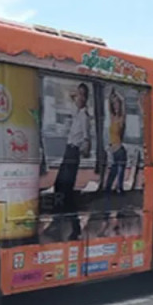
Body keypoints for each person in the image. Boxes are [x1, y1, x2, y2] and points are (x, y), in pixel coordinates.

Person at [53, 82, 91, 240]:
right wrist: (74, 95)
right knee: (59, 186)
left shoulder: (84, 116)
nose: (79, 97)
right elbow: (71, 98)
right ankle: (65, 222)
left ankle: (73, 227)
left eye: (83, 95)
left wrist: (82, 150)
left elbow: (87, 138)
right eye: (79, 94)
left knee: (66, 189)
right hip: (68, 151)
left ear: (86, 98)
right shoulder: (77, 112)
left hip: (73, 152)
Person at [104, 87, 127, 194]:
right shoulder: (112, 117)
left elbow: (123, 103)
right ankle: (109, 188)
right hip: (113, 150)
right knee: (113, 171)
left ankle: (119, 189)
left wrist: (119, 95)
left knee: (120, 171)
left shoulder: (121, 118)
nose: (115, 105)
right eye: (114, 104)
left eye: (117, 103)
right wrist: (111, 94)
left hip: (119, 150)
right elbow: (109, 106)